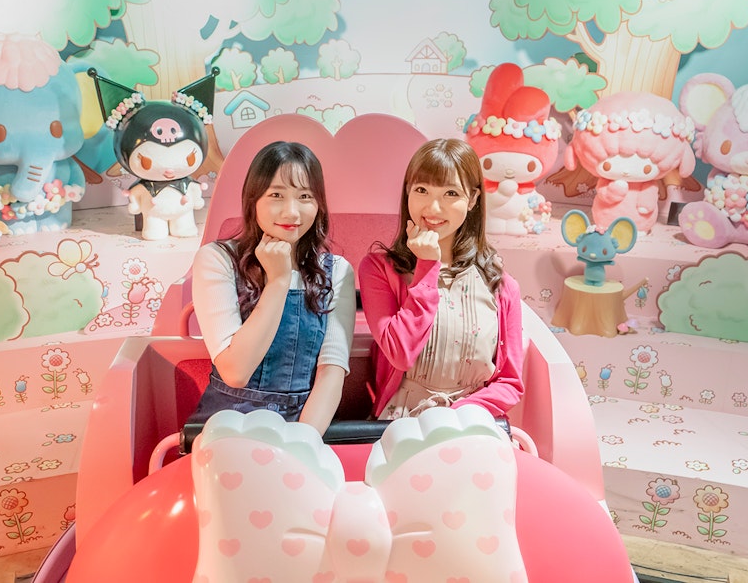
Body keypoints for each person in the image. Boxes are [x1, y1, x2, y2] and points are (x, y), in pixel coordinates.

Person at [187, 141, 356, 435]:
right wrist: (278, 280)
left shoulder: (337, 270)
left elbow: (332, 371)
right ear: (253, 200)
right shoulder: (217, 260)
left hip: (307, 425)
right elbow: (236, 371)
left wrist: (304, 444)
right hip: (229, 424)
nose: (292, 212)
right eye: (276, 195)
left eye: (305, 196)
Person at [359, 138, 525, 420]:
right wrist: (427, 264)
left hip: (473, 422)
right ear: (407, 192)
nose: (433, 208)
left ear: (472, 200)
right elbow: (400, 352)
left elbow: (510, 383)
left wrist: (454, 416)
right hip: (401, 424)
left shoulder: (501, 284)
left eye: (451, 194)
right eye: (422, 190)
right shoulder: (379, 269)